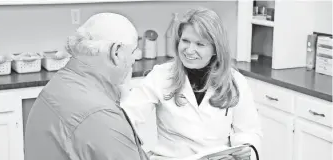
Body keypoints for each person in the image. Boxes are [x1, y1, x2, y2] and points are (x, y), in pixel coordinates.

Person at [121, 7, 262, 160]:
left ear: (216, 49)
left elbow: (248, 131)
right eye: (185, 41)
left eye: (200, 44)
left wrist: (243, 150)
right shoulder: (161, 75)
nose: (189, 50)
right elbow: (128, 116)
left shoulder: (235, 81)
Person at [25, 13, 149, 160]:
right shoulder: (101, 116)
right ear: (115, 52)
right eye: (133, 51)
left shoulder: (58, 85)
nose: (134, 59)